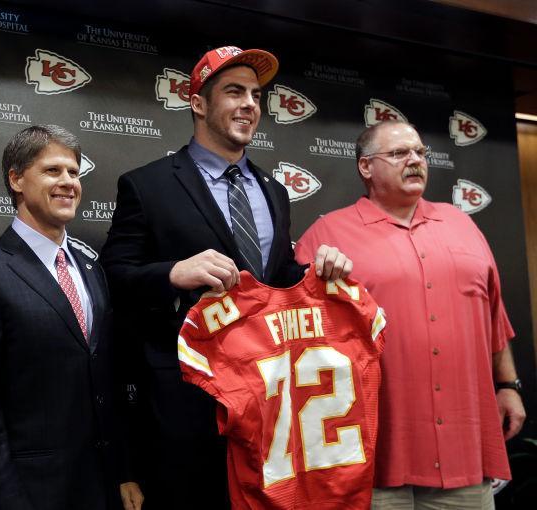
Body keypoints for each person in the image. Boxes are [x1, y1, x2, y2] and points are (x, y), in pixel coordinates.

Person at [101, 46, 351, 509]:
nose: (250, 105)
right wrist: (174, 272)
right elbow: (113, 276)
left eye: (256, 95)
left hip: (268, 402)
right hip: (186, 404)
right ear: (198, 103)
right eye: (234, 92)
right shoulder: (147, 184)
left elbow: (274, 278)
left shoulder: (273, 191)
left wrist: (316, 274)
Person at [295, 120, 526, 509]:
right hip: (373, 461)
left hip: (462, 455)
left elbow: (493, 317)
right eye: (400, 153)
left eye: (420, 152)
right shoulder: (325, 236)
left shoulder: (462, 224)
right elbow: (298, 342)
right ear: (366, 167)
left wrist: (509, 386)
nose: (415, 160)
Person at [0, 125, 143, 510]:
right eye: (53, 171)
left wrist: (122, 471)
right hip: (29, 493)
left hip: (101, 488)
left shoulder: (91, 268)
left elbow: (105, 380)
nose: (69, 182)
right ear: (16, 179)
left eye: (74, 172)